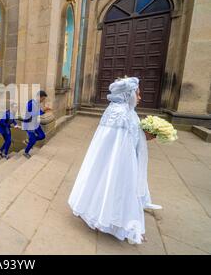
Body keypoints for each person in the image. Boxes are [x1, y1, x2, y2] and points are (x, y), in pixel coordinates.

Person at [68, 77, 161, 245]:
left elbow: (129, 136)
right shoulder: (121, 113)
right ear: (128, 94)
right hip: (120, 161)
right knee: (116, 189)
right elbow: (121, 142)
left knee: (106, 187)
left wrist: (143, 136)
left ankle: (108, 217)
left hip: (118, 158)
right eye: (137, 94)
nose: (140, 98)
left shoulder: (124, 110)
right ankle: (116, 223)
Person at [22, 91, 51, 159]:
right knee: (33, 140)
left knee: (42, 136)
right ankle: (26, 152)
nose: (43, 100)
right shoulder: (31, 103)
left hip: (35, 123)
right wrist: (42, 111)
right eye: (43, 99)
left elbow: (39, 112)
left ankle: (29, 141)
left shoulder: (37, 103)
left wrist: (44, 110)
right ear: (39, 97)